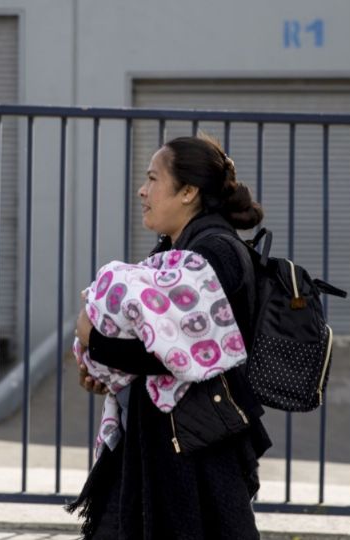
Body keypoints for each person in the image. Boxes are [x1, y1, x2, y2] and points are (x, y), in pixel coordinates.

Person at [67, 134, 271, 539]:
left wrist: (95, 341)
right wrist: (107, 372)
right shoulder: (176, 252)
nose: (142, 191)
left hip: (194, 453)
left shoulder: (214, 254)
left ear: (188, 192)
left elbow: (172, 354)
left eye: (153, 178)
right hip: (161, 446)